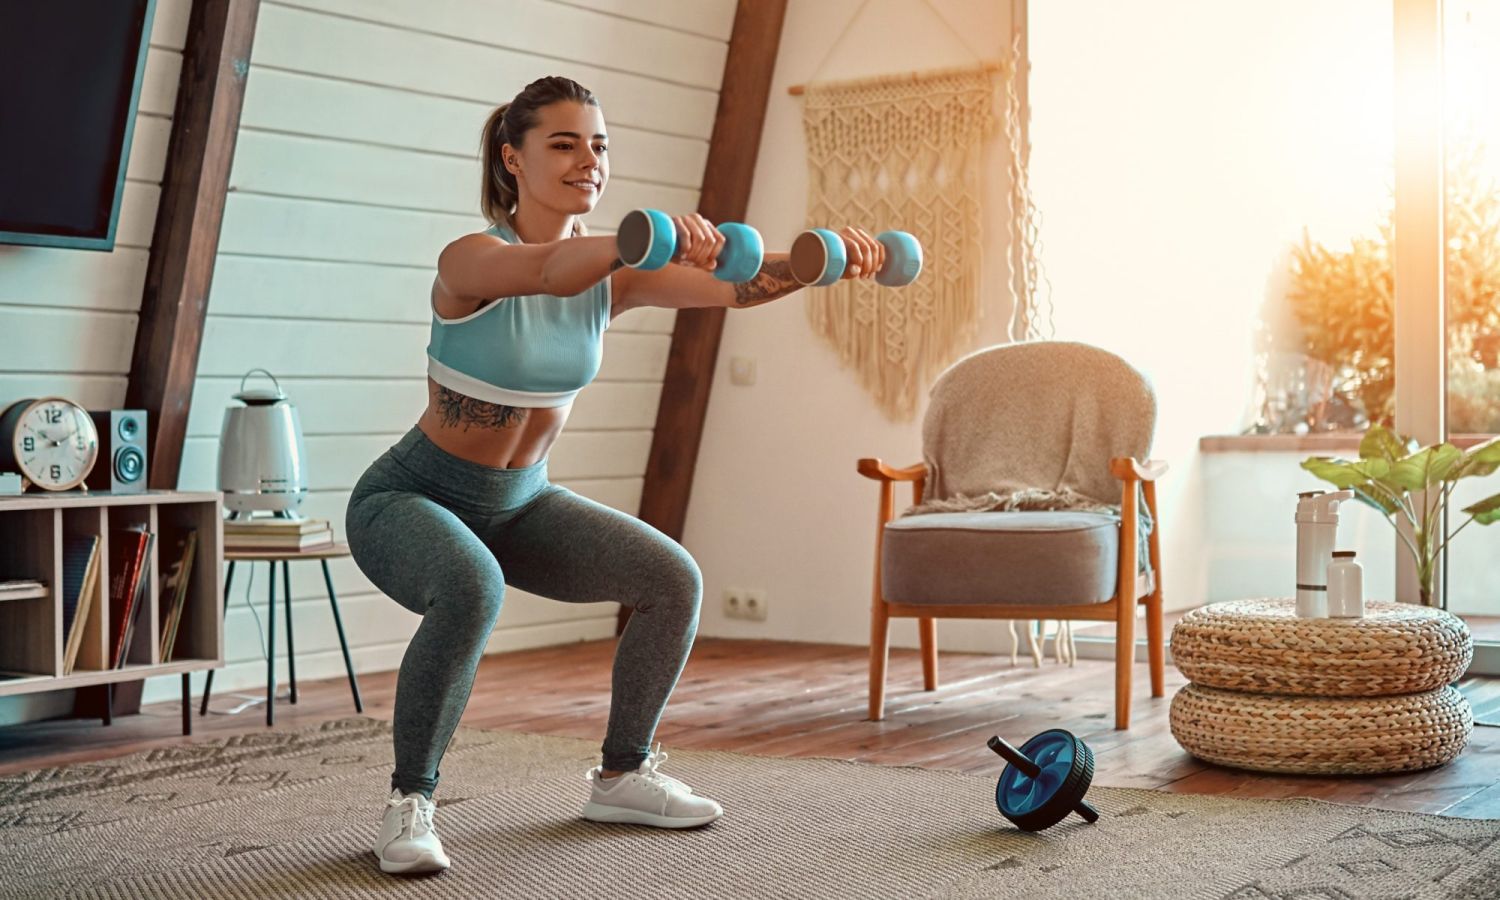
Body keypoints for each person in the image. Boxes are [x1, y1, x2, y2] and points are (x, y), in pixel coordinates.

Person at [345, 75, 884, 875]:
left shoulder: (619, 272)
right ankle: (409, 806)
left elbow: (737, 286)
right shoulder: (470, 259)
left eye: (598, 145)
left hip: (521, 504)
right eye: (563, 143)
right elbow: (552, 270)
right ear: (511, 159)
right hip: (411, 497)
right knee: (472, 588)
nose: (587, 159)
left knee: (670, 578)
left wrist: (820, 261)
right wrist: (647, 238)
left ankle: (624, 774)